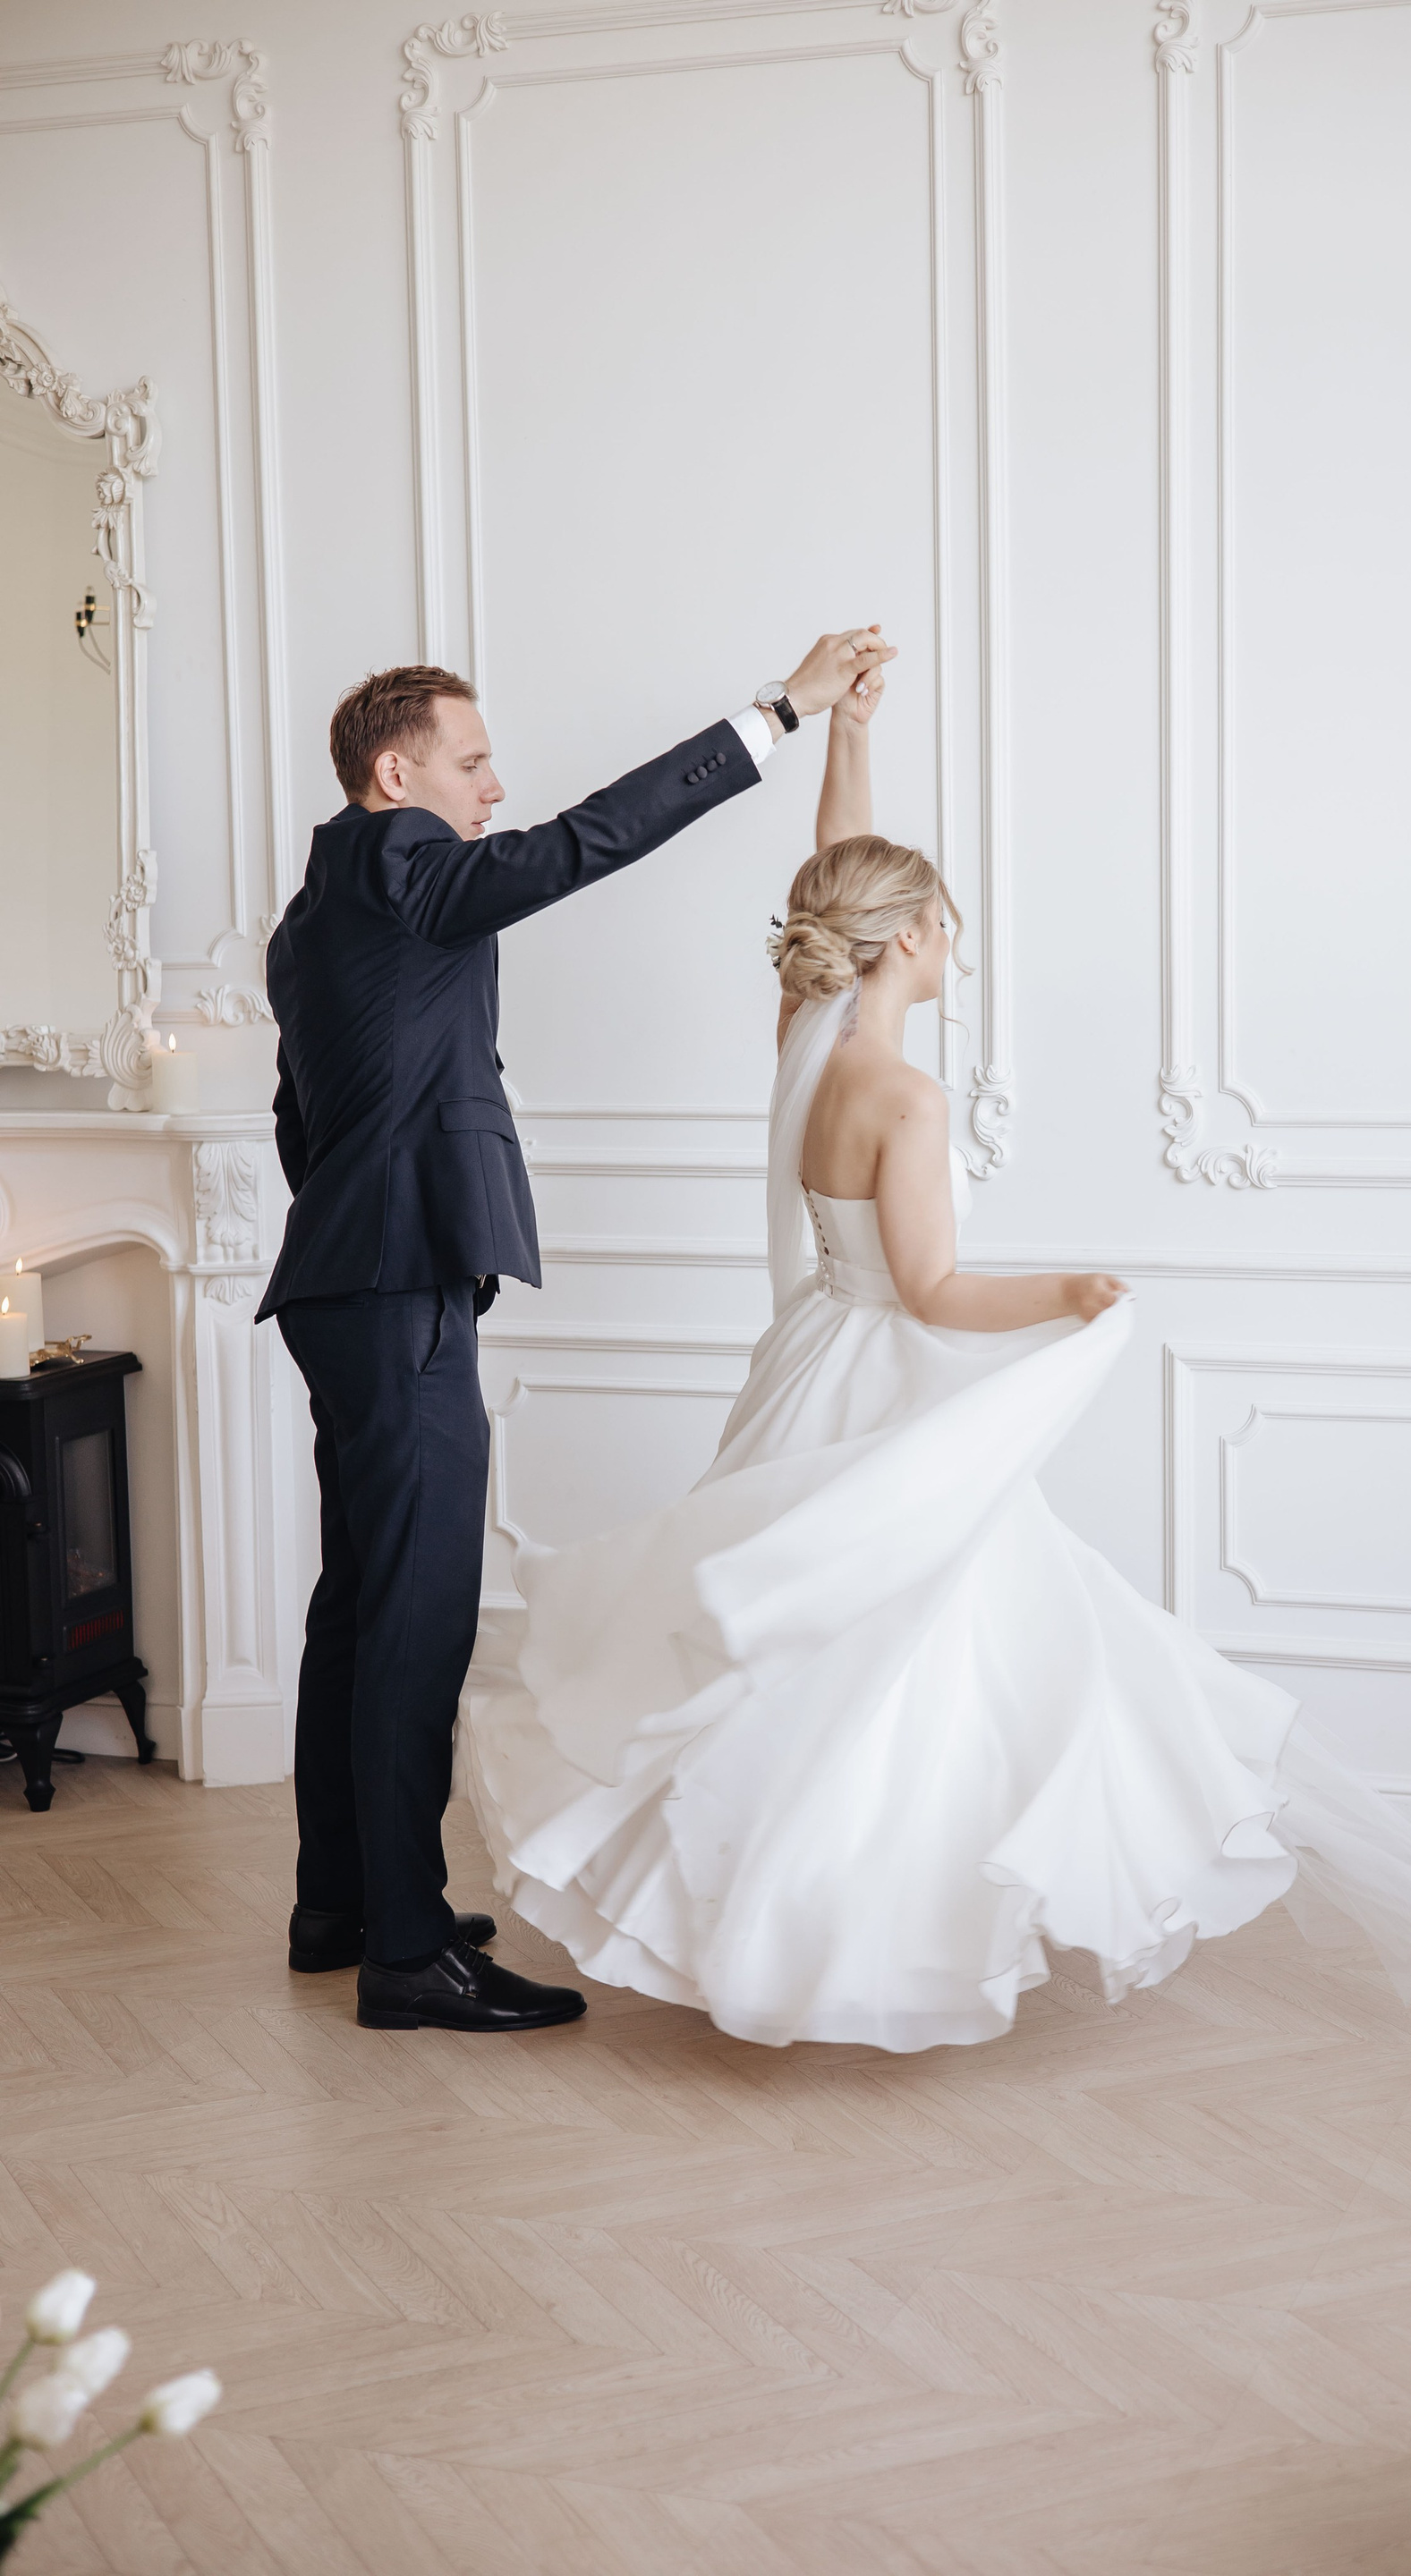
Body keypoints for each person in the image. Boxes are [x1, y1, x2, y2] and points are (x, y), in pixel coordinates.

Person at [458, 666, 1411, 2050]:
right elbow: (933, 1292)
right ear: (905, 940)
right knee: (916, 1650)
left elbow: (833, 867)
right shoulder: (906, 1096)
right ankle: (872, 1928)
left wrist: (851, 735)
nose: (956, 946)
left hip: (810, 1361)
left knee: (822, 1652)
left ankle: (795, 1915)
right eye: (945, 924)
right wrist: (1072, 1290)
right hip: (884, 1367)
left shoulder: (808, 1042)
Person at [259, 631, 896, 2033]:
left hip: (344, 1284)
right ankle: (407, 1953)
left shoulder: (312, 921)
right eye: (471, 762)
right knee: (416, 1619)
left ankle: (341, 1904)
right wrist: (780, 712)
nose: (494, 787)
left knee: (357, 1606)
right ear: (394, 776)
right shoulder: (400, 862)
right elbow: (583, 844)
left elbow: (302, 1118)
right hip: (397, 1286)